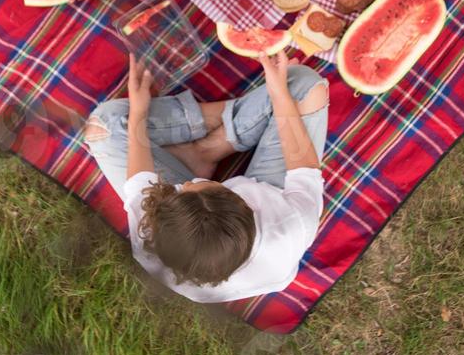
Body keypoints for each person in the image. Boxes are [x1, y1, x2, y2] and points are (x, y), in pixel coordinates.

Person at [83, 51, 329, 302]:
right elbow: (303, 167)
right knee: (305, 84)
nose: (186, 183)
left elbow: (140, 180)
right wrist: (278, 94)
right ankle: (219, 138)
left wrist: (138, 111)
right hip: (270, 190)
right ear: (245, 202)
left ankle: (202, 151)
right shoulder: (290, 226)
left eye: (180, 189)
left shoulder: (154, 237)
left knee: (104, 126)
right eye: (201, 184)